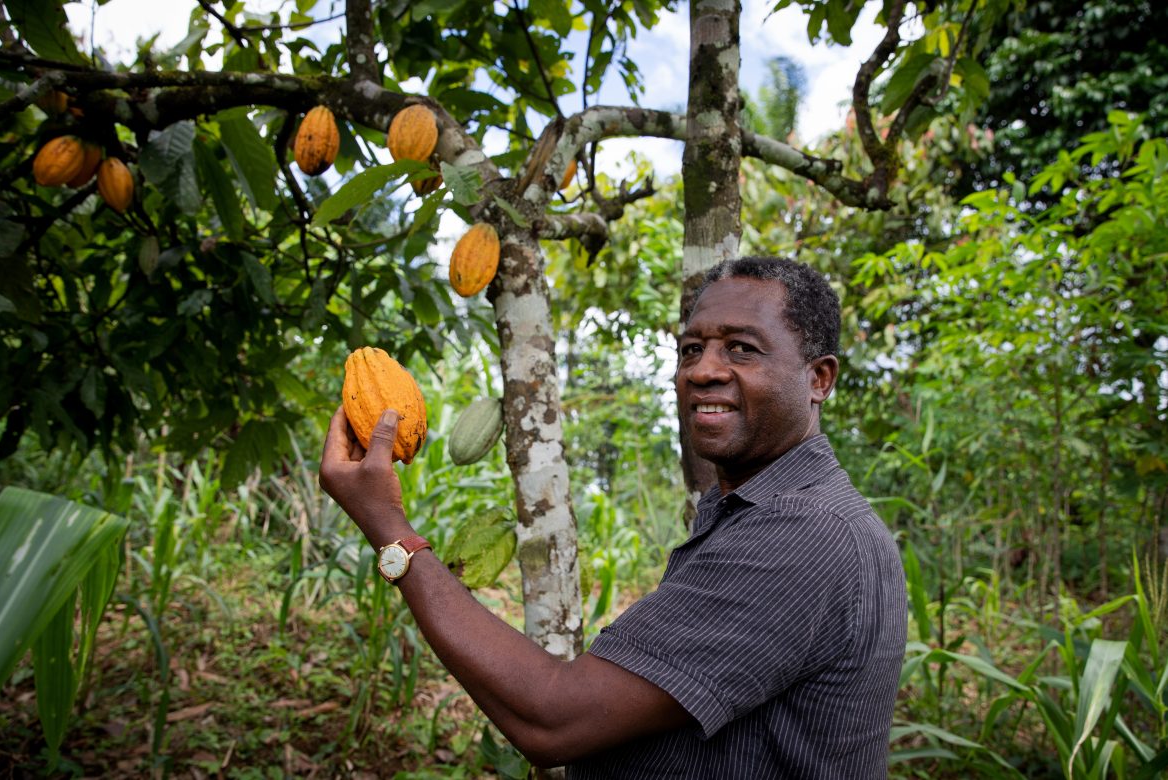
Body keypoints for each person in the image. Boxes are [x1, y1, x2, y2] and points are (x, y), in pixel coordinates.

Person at [319, 255, 908, 778]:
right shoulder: (767, 510)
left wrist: (389, 530)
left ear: (819, 379)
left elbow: (552, 719)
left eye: (741, 349)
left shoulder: (805, 533)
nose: (702, 370)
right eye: (691, 349)